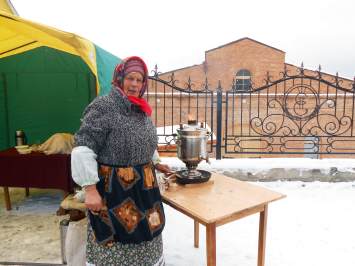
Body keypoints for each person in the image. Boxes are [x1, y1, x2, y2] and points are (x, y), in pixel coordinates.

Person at [71, 56, 171, 266]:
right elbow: (83, 147)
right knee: (115, 242)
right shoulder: (103, 106)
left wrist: (156, 162)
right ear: (119, 79)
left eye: (139, 80)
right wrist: (89, 189)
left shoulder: (141, 108)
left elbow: (145, 142)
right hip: (114, 192)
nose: (134, 84)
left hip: (145, 189)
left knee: (147, 236)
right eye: (130, 78)